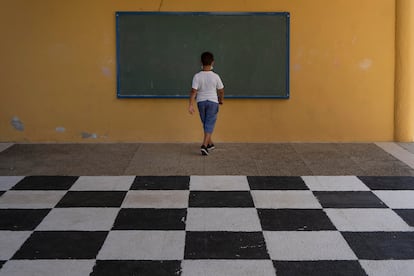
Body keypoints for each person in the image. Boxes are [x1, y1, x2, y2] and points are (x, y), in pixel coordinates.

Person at [188, 52, 225, 156]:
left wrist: (190, 104)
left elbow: (193, 91)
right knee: (209, 123)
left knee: (206, 124)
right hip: (213, 102)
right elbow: (221, 90)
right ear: (213, 62)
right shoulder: (216, 76)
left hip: (201, 102)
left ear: (201, 62)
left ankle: (210, 144)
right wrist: (221, 100)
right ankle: (204, 145)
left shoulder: (197, 76)